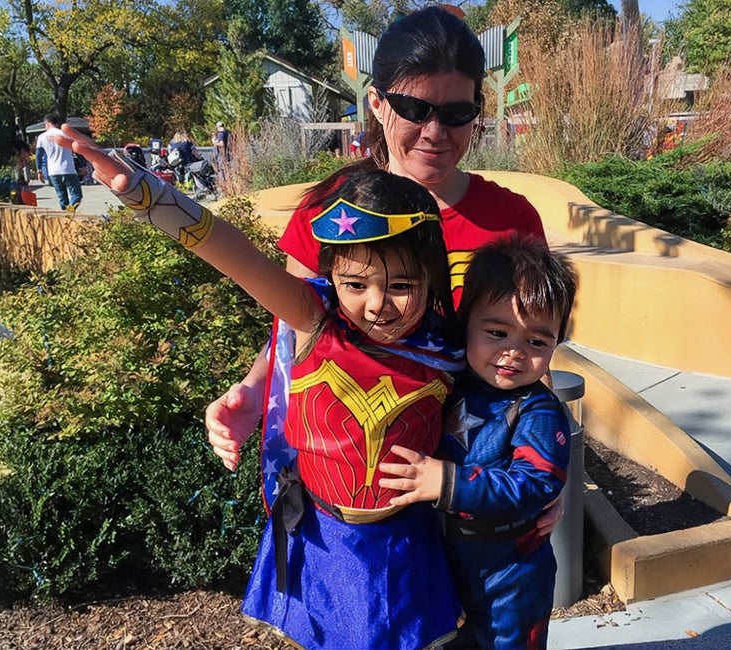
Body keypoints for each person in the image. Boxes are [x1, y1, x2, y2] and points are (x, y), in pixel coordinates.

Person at [52, 124, 466, 649]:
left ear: (432, 278)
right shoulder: (316, 320)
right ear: (331, 275)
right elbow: (235, 254)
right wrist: (143, 193)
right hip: (324, 539)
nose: (377, 303)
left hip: (409, 540)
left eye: (402, 285)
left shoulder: (450, 351)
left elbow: (505, 405)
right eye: (355, 284)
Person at [206, 7, 549, 506]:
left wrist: (542, 466)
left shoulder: (511, 220)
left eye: (457, 114)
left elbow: (535, 345)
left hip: (475, 483)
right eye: (414, 109)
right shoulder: (330, 210)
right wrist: (255, 392)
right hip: (357, 488)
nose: (436, 131)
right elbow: (297, 326)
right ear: (378, 103)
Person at [379, 237, 577, 649]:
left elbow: (536, 483)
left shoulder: (537, 410)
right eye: (497, 331)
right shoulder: (448, 380)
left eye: (537, 342)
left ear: (558, 342)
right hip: (445, 556)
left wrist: (447, 482)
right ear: (465, 323)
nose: (514, 352)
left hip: (512, 569)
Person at [35, 113, 83, 211]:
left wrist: (39, 170)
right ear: (56, 123)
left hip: (53, 171)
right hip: (68, 169)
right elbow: (76, 150)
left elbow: (38, 155)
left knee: (62, 197)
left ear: (47, 123)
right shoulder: (65, 134)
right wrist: (83, 165)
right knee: (77, 195)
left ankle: (65, 214)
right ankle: (69, 212)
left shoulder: (41, 137)